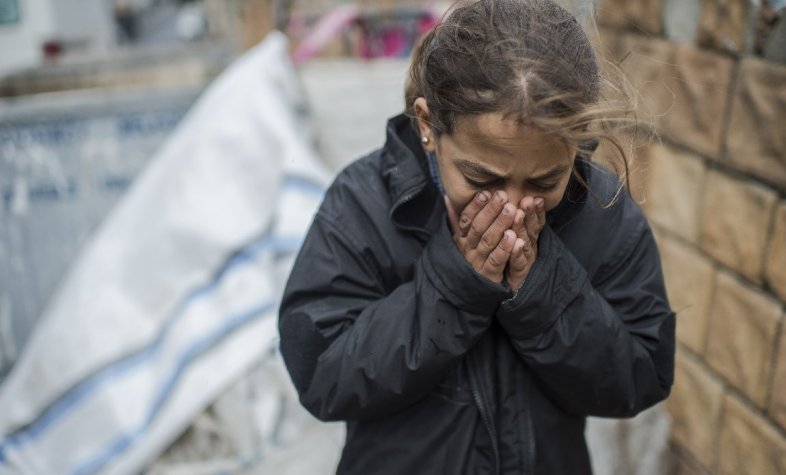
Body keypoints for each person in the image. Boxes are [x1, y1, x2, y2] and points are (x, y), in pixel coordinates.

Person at [278, 1, 676, 473]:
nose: (511, 205)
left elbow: (642, 375)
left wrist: (542, 289)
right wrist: (454, 287)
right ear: (428, 126)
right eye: (482, 179)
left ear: (577, 140)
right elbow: (322, 375)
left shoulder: (601, 210)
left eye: (545, 182)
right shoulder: (364, 204)